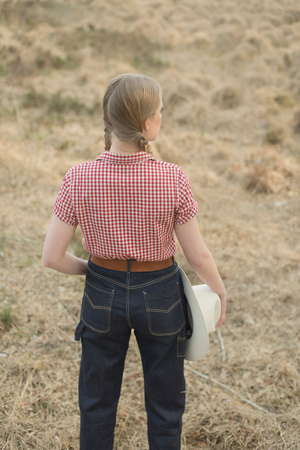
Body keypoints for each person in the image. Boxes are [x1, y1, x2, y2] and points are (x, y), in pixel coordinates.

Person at [42, 73, 226, 450]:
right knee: (165, 407)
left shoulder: (78, 178)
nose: (162, 116)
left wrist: (92, 271)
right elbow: (197, 255)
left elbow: (52, 257)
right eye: (159, 111)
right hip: (161, 296)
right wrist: (219, 291)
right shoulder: (172, 178)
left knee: (95, 405)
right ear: (146, 124)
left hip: (100, 295)